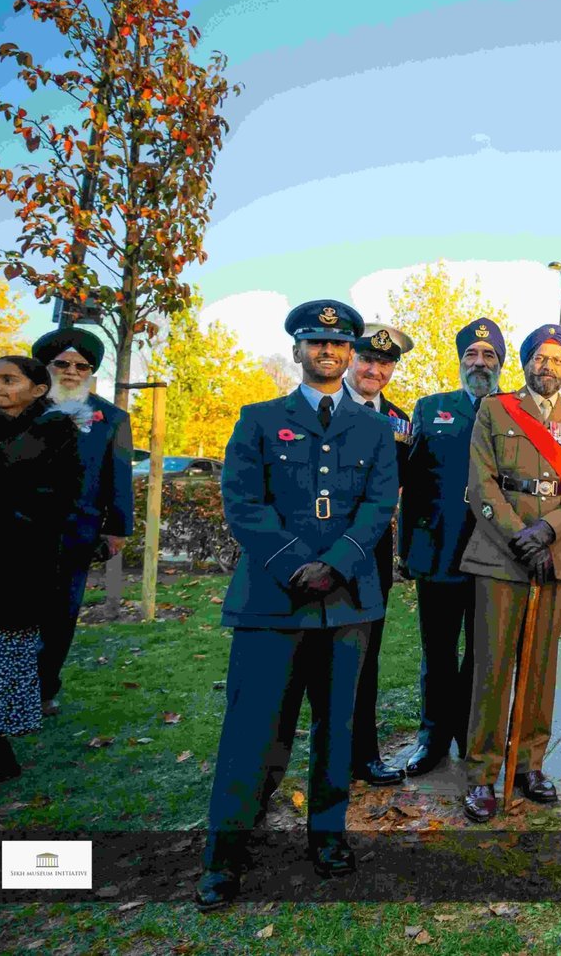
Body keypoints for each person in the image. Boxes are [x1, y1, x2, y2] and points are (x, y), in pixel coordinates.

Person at [198, 300, 398, 909]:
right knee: (253, 729)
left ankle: (328, 837)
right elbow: (243, 503)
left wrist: (335, 563)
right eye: (316, 343)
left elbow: (377, 505)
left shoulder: (375, 428)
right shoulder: (259, 419)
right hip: (271, 599)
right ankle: (225, 856)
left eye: (339, 345)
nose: (329, 353)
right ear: (299, 351)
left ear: (351, 354)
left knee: (336, 728)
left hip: (345, 603)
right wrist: (293, 565)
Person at [458, 324, 561, 822]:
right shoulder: (495, 410)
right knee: (493, 666)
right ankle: (481, 773)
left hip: (554, 553)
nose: (548, 367)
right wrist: (520, 535)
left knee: (541, 668)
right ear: (524, 364)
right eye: (539, 358)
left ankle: (529, 763)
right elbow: (481, 483)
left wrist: (548, 531)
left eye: (558, 360)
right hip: (501, 554)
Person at [399, 318, 503, 777]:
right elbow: (413, 487)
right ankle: (433, 738)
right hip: (440, 553)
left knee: (481, 654)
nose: (480, 364)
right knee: (437, 653)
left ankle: (471, 736)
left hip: (492, 556)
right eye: (472, 356)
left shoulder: (512, 412)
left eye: (489, 357)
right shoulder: (430, 408)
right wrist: (407, 550)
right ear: (461, 361)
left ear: (500, 364)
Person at [29, 328, 132, 718]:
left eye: (81, 366)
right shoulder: (18, 411)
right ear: (45, 366)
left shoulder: (112, 418)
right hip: (14, 532)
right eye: (62, 363)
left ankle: (43, 689)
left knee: (61, 615)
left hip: (75, 534)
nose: (72, 371)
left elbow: (118, 476)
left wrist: (118, 527)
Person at [0, 356, 81, 784]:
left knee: (9, 644)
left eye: (9, 379)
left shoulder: (54, 429)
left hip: (20, 556)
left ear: (37, 388)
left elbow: (62, 493)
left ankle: (3, 743)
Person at [342, 322, 415, 787]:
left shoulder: (400, 420)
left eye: (385, 363)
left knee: (366, 660)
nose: (374, 369)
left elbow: (403, 487)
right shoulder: (326, 404)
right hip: (315, 549)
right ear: (351, 357)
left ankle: (362, 756)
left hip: (371, 555)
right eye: (367, 359)